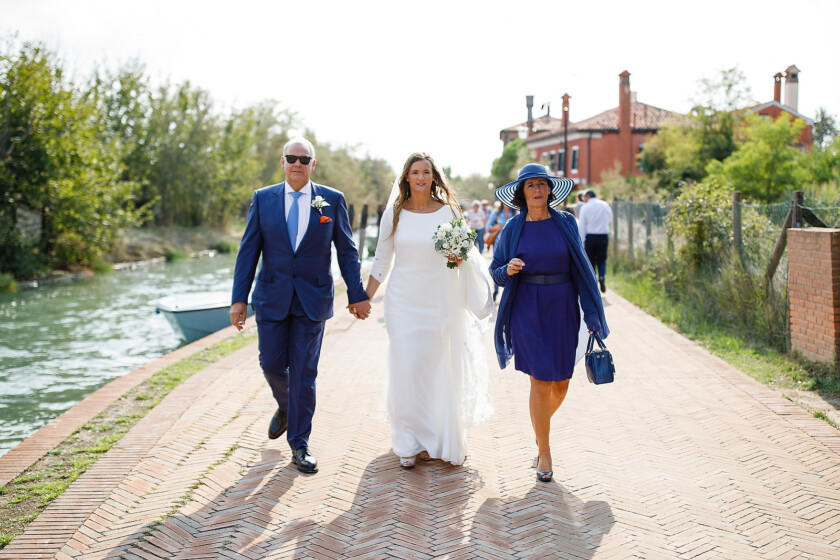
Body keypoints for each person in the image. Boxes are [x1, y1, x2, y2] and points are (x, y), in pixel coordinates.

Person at [230, 137, 371, 474]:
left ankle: (300, 444)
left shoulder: (332, 201)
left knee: (304, 374)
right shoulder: (263, 200)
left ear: (312, 164)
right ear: (282, 162)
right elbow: (248, 251)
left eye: (304, 159)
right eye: (291, 158)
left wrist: (356, 293)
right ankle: (284, 406)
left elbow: (347, 252)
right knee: (271, 364)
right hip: (271, 297)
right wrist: (238, 299)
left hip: (313, 299)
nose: (297, 163)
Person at [365, 152, 494, 469]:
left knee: (437, 368)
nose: (421, 177)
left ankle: (437, 438)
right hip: (402, 302)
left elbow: (464, 256)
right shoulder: (394, 214)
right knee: (407, 366)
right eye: (415, 172)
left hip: (438, 301)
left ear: (434, 177)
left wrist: (458, 256)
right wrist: (364, 297)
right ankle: (408, 441)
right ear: (406, 178)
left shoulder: (449, 211)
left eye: (426, 172)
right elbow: (382, 260)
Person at [490, 164, 609, 483]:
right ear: (522, 193)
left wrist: (593, 314)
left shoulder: (566, 222)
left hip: (563, 306)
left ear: (550, 189)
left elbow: (582, 268)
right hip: (526, 308)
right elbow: (496, 270)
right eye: (531, 186)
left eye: (542, 184)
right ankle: (545, 449)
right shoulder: (512, 228)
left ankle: (539, 427)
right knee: (540, 380)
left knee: (561, 381)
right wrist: (508, 270)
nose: (537, 190)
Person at [578, 189, 613, 293]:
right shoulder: (604, 205)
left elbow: (582, 226)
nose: (583, 199)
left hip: (590, 237)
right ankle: (601, 277)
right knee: (602, 259)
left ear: (588, 196)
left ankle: (593, 284)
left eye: (584, 197)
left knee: (591, 261)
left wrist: (582, 242)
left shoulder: (585, 207)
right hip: (603, 236)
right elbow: (610, 218)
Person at [485, 201, 516, 301]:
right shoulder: (496, 213)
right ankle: (496, 291)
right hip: (499, 243)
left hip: (512, 243)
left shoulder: (516, 213)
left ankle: (509, 292)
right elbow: (488, 227)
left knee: (511, 266)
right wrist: (497, 227)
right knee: (498, 265)